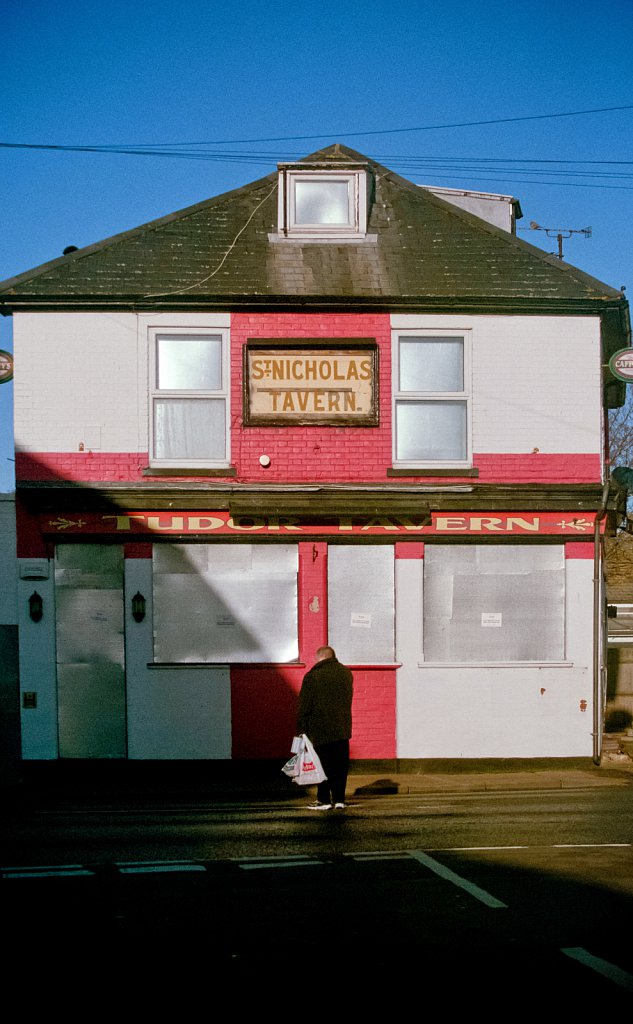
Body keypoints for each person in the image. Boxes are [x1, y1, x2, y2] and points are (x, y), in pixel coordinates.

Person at [296, 645, 353, 811]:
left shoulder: (313, 676)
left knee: (322, 765)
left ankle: (324, 800)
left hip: (319, 729)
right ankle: (340, 799)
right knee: (340, 766)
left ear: (320, 658)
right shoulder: (346, 674)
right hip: (342, 728)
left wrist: (301, 728)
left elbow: (304, 706)